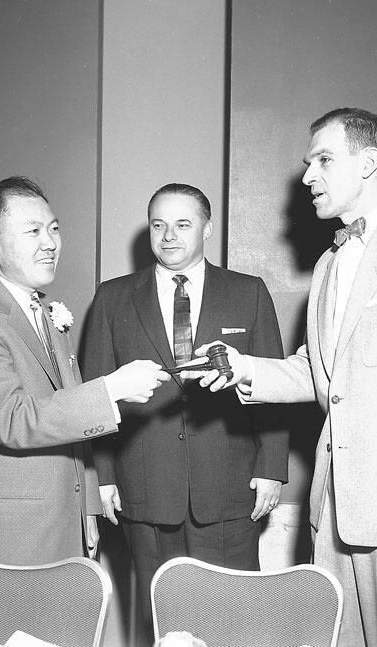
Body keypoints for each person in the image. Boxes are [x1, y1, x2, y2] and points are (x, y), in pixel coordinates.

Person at [191, 109, 377, 647]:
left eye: (323, 160)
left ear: (369, 163)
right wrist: (240, 366)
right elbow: (321, 372)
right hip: (336, 515)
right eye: (309, 163)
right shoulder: (330, 266)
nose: (308, 176)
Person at [81, 183, 288, 635]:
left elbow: (272, 386)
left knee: (232, 625)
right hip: (146, 489)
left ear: (207, 228)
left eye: (182, 224)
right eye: (158, 224)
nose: (168, 235)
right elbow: (96, 394)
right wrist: (104, 477)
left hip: (229, 492)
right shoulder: (114, 298)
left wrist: (272, 467)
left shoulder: (248, 293)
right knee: (162, 626)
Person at [0, 176, 170, 566]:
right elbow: (12, 419)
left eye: (54, 228)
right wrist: (110, 389)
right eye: (32, 231)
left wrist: (88, 512)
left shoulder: (44, 312)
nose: (50, 243)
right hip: (13, 537)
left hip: (68, 529)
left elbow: (67, 424)